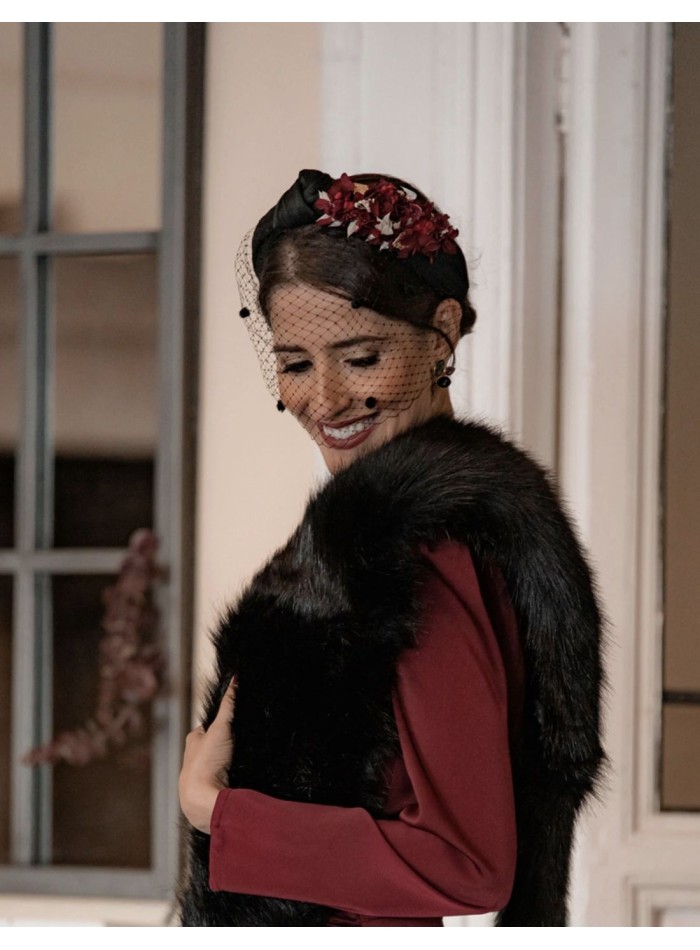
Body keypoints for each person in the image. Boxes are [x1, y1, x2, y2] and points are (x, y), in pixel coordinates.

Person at [177, 170, 608, 927]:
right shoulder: (418, 529)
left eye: (362, 358)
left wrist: (217, 813)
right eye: (297, 365)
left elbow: (469, 866)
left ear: (441, 332)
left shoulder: (409, 549)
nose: (326, 401)